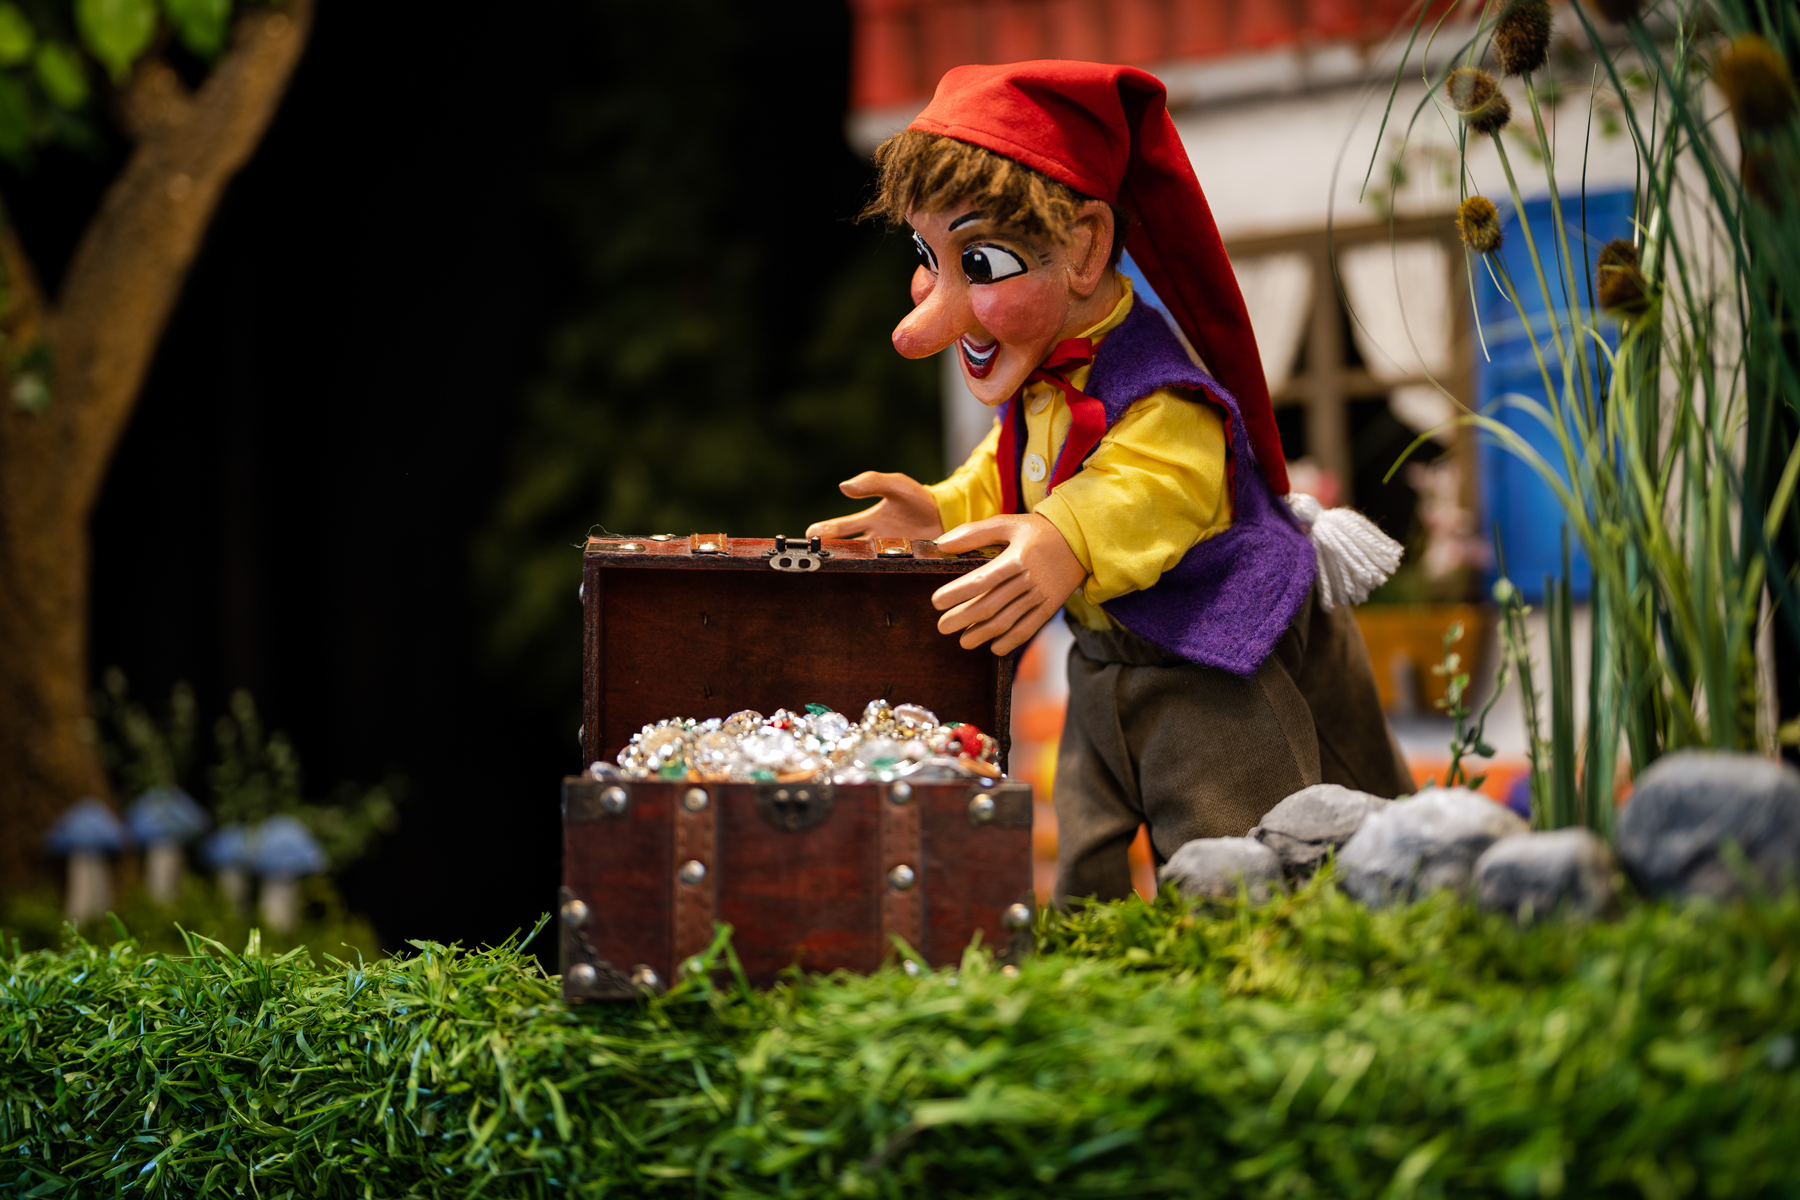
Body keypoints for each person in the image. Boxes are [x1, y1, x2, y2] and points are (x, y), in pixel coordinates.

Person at [808, 61, 1412, 906]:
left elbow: (1153, 487)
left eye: (980, 261)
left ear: (1085, 247)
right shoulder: (1043, 385)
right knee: (1083, 863)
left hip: (1210, 668)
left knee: (1239, 861)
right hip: (1105, 667)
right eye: (927, 257)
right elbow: (1007, 471)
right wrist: (942, 511)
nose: (926, 319)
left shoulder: (1165, 394)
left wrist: (1065, 535)